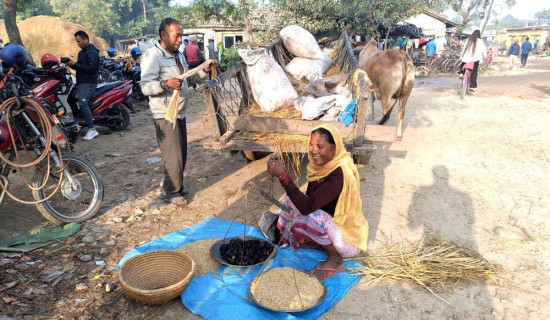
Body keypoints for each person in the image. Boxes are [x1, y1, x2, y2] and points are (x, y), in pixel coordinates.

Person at [266, 124, 369, 280]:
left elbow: (308, 207)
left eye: (320, 146)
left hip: (346, 240)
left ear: (334, 150)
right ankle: (312, 241)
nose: (313, 150)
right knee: (290, 202)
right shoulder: (321, 167)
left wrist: (283, 176)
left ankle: (335, 259)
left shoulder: (339, 174)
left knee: (312, 216)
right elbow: (306, 200)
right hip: (332, 228)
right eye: (311, 145)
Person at [140, 18, 216, 206]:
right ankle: (171, 192)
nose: (180, 40)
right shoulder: (153, 56)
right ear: (163, 35)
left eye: (181, 36)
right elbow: (144, 87)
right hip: (165, 114)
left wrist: (202, 71)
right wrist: (165, 84)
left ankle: (175, 187)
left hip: (179, 112)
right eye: (177, 35)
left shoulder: (178, 55)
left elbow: (187, 80)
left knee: (181, 154)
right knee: (173, 157)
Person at [66, 30, 100, 140]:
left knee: (82, 103)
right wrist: (71, 65)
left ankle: (92, 129)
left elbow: (92, 68)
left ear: (86, 40)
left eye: (79, 41)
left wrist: (75, 64)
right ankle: (78, 120)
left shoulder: (92, 53)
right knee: (70, 99)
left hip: (88, 83)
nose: (78, 43)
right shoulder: (82, 53)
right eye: (76, 42)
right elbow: (81, 66)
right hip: (81, 82)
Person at [458, 29, 486, 94]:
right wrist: (485, 56)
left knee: (463, 64)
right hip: (475, 59)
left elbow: (464, 48)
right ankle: (472, 86)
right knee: (474, 72)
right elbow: (483, 51)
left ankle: (461, 73)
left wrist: (462, 54)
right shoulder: (480, 41)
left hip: (466, 57)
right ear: (479, 35)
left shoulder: (469, 39)